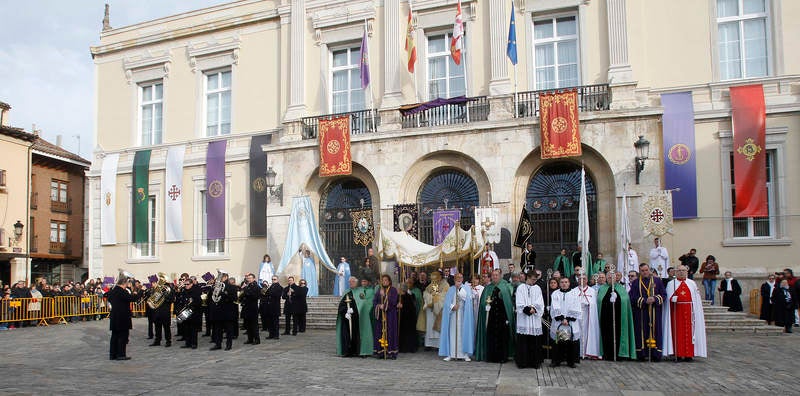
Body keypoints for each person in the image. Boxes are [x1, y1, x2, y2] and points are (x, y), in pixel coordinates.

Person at [663, 266, 707, 362]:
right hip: (676, 313)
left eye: (683, 271)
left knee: (690, 334)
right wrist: (672, 299)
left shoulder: (692, 283)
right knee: (678, 333)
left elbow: (696, 299)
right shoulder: (671, 284)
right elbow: (667, 299)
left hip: (690, 312)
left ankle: (688, 355)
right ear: (676, 272)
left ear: (687, 272)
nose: (681, 272)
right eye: (679, 271)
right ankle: (678, 354)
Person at [628, 263, 666, 361]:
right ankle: (642, 354)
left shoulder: (657, 281)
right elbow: (632, 297)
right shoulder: (636, 283)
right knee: (640, 332)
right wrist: (644, 301)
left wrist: (654, 299)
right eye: (642, 271)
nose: (645, 272)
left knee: (655, 332)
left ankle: (655, 354)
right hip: (641, 312)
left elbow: (663, 295)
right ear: (640, 271)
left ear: (649, 270)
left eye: (646, 270)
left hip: (654, 312)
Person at [476, 269, 515, 363]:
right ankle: (491, 357)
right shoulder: (488, 288)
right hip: (491, 317)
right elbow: (482, 303)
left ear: (500, 276)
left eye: (496, 275)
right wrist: (485, 307)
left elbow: (508, 304)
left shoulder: (505, 287)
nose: (495, 277)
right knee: (491, 337)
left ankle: (502, 357)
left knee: (502, 337)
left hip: (502, 317)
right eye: (493, 275)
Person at [596, 271, 636, 361]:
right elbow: (599, 301)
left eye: (613, 277)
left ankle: (620, 354)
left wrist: (616, 299)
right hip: (605, 318)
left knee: (618, 335)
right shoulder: (602, 289)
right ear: (606, 278)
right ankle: (606, 353)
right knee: (606, 336)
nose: (611, 279)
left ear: (616, 278)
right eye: (609, 278)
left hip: (619, 318)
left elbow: (625, 301)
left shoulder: (621, 289)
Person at [439, 273, 474, 361]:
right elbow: (446, 302)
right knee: (452, 333)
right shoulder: (451, 289)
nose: (459, 279)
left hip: (463, 315)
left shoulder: (466, 288)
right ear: (454, 279)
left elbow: (468, 299)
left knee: (464, 333)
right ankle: (451, 353)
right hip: (453, 315)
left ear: (462, 279)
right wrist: (452, 306)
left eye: (460, 278)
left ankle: (465, 354)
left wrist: (460, 289)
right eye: (457, 278)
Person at [549, 277, 581, 368]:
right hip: (559, 322)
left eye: (566, 282)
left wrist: (568, 319)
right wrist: (562, 318)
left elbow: (576, 306)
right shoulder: (556, 293)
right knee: (558, 341)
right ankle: (556, 360)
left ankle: (571, 361)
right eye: (562, 282)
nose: (564, 284)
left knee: (570, 342)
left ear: (569, 283)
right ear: (559, 284)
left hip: (570, 322)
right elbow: (555, 307)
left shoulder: (575, 293)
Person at [515, 271, 544, 369]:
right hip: (524, 317)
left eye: (535, 280)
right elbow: (519, 301)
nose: (534, 281)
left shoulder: (537, 288)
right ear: (527, 278)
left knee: (534, 341)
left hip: (534, 318)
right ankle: (522, 362)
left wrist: (534, 308)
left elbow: (540, 301)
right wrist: (527, 309)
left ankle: (534, 362)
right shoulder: (520, 288)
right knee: (523, 340)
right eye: (532, 279)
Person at [107, 277, 138, 361]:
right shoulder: (122, 291)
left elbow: (108, 297)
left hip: (114, 316)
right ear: (124, 284)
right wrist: (135, 292)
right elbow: (132, 299)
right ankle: (121, 354)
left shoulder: (113, 291)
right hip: (122, 317)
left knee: (114, 336)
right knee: (122, 336)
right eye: (127, 283)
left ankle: (112, 354)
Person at [373, 274, 400, 359]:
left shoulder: (393, 290)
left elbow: (393, 302)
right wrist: (378, 305)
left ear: (389, 281)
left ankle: (391, 352)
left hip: (390, 316)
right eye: (383, 280)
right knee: (380, 333)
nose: (384, 282)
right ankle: (381, 351)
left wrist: (384, 296)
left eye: (386, 280)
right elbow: (374, 301)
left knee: (390, 332)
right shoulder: (379, 290)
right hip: (381, 316)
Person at [422, 270, 449, 350]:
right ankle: (429, 344)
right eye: (433, 277)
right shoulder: (432, 285)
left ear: (440, 276)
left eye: (436, 277)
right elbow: (426, 293)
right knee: (429, 327)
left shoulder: (445, 285)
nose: (434, 279)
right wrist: (430, 300)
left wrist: (434, 299)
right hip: (430, 310)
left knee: (438, 327)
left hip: (439, 309)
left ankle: (438, 345)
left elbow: (444, 296)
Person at [210, 273, 238, 351]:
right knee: (217, 329)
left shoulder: (232, 287)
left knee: (229, 330)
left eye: (221, 277)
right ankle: (218, 344)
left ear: (226, 277)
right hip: (218, 311)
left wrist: (224, 294)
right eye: (219, 277)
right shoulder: (216, 286)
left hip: (227, 311)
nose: (219, 278)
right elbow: (212, 298)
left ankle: (229, 345)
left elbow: (234, 298)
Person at [575, 273, 600, 359]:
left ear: (587, 280)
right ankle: (579, 352)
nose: (582, 281)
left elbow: (594, 303)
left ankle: (588, 352)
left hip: (588, 315)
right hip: (577, 315)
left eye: (584, 279)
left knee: (587, 332)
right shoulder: (574, 291)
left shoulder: (592, 291)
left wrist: (588, 303)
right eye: (580, 279)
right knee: (578, 332)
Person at [336, 277, 361, 357]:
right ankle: (347, 351)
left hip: (356, 319)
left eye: (353, 282)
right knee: (346, 335)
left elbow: (361, 304)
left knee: (355, 335)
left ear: (356, 283)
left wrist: (354, 310)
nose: (351, 283)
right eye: (350, 282)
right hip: (347, 319)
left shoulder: (360, 292)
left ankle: (356, 351)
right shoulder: (346, 292)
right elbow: (341, 305)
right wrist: (345, 312)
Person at [149, 275, 174, 348]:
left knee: (166, 327)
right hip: (157, 311)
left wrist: (164, 295)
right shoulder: (155, 289)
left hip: (165, 311)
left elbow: (172, 299)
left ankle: (168, 341)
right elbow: (153, 298)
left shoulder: (169, 289)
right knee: (157, 327)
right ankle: (157, 340)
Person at [353, 278, 376, 356]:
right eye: (362, 281)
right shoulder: (358, 290)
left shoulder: (371, 291)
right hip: (359, 313)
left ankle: (369, 348)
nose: (363, 283)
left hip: (368, 314)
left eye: (365, 281)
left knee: (368, 331)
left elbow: (370, 301)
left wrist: (367, 309)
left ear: (368, 282)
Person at [180, 277, 203, 349]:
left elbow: (199, 302)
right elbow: (182, 300)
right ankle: (187, 343)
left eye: (187, 284)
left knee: (193, 329)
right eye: (185, 284)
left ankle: (194, 343)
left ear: (191, 284)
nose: (186, 285)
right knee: (186, 328)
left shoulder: (196, 291)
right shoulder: (184, 291)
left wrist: (192, 304)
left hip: (193, 311)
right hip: (186, 311)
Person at [399, 279, 419, 353]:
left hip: (408, 319)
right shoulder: (399, 296)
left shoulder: (409, 296)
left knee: (408, 334)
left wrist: (401, 306)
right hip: (404, 319)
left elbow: (410, 308)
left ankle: (408, 347)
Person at [240, 273, 261, 345]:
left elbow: (254, 296)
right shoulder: (248, 286)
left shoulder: (256, 287)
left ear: (254, 279)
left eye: (250, 278)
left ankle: (257, 339)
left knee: (254, 325)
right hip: (247, 307)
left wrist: (245, 289)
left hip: (253, 308)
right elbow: (244, 295)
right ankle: (250, 339)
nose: (249, 279)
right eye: (248, 278)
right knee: (248, 325)